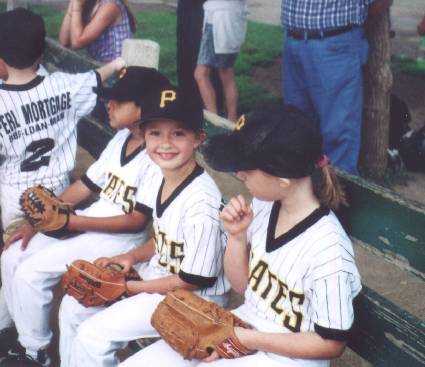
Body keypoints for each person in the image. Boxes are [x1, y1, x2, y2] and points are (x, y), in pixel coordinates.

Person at [121, 104, 362, 367]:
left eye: (247, 168)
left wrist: (248, 339)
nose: (239, 174)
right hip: (244, 325)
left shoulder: (329, 249)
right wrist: (236, 237)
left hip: (290, 357)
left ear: (282, 179)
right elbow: (242, 286)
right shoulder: (264, 205)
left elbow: (331, 343)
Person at [0, 66, 171, 366]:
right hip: (90, 221)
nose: (109, 104)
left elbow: (137, 221)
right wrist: (36, 223)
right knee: (13, 254)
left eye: (120, 100)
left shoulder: (156, 154)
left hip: (118, 237)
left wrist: (73, 222)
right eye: (110, 98)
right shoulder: (120, 139)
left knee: (31, 273)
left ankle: (35, 351)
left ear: (144, 108)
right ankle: (17, 335)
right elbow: (84, 186)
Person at [59, 86, 229, 367]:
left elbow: (193, 279)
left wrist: (131, 287)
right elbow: (166, 240)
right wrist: (131, 257)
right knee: (73, 307)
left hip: (194, 300)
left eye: (178, 133)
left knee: (92, 335)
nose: (165, 144)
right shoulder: (166, 176)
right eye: (155, 133)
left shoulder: (201, 203)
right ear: (143, 135)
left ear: (199, 139)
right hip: (163, 278)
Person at [0, 7, 125, 357]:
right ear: (42, 52)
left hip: (17, 193)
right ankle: (15, 334)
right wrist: (117, 64)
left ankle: (19, 341)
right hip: (59, 190)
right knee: (17, 262)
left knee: (14, 261)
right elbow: (96, 79)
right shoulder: (64, 86)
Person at [281, 0, 390, 175]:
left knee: (338, 134)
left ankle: (337, 198)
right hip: (294, 42)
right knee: (297, 126)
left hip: (335, 43)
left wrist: (354, 29)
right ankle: (305, 197)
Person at [194, 0, 247, 122]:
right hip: (221, 18)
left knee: (208, 74)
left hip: (221, 19)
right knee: (218, 73)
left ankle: (221, 121)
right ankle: (223, 120)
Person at [176, 0, 223, 111]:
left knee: (204, 63)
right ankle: (188, 104)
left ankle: (212, 112)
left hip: (205, 11)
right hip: (188, 10)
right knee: (186, 58)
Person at [59, 0, 137, 62]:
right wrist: (72, 5)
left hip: (116, 72)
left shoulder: (110, 5)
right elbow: (64, 41)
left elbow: (77, 43)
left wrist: (77, 7)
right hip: (100, 67)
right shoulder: (91, 3)